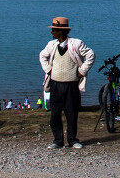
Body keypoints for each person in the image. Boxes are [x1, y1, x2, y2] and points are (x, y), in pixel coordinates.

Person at [39, 16, 95, 149]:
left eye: (53, 30)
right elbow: (42, 56)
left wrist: (82, 71)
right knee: (55, 114)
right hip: (55, 84)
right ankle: (58, 140)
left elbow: (91, 55)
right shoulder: (51, 45)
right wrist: (48, 70)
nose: (51, 32)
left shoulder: (76, 44)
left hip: (71, 85)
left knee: (71, 113)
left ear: (61, 31)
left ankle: (72, 140)